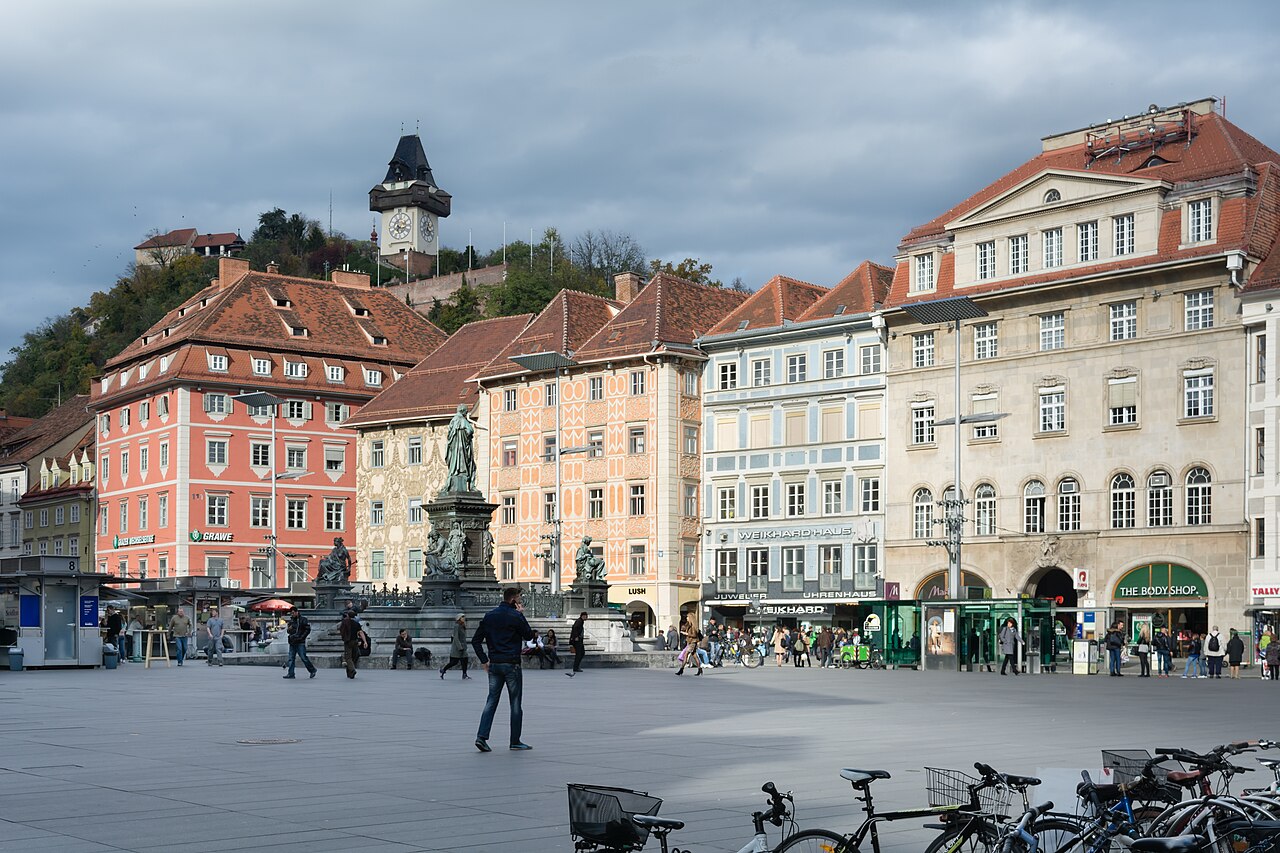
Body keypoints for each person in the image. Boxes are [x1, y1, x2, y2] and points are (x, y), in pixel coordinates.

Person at [472, 587, 535, 752]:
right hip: (511, 664)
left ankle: (481, 737)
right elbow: (529, 636)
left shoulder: (490, 616)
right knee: (515, 702)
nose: (521, 601)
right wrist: (521, 614)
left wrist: (484, 660)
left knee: (491, 700)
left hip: (494, 664)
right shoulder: (515, 616)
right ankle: (515, 740)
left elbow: (476, 641)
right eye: (520, 598)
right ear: (513, 599)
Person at [283, 606, 317, 679]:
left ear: (296, 612)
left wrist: (302, 637)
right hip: (292, 641)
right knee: (291, 658)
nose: (292, 615)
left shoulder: (303, 620)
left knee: (303, 657)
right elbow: (288, 631)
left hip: (300, 641)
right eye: (291, 613)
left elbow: (307, 629)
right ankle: (291, 673)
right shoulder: (291, 621)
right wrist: (289, 629)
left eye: (293, 613)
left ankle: (312, 670)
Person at [440, 614, 471, 680]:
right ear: (459, 618)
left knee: (465, 660)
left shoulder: (462, 626)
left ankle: (464, 674)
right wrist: (460, 647)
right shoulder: (457, 626)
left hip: (463, 647)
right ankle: (443, 669)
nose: (464, 618)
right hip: (458, 648)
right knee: (454, 662)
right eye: (462, 617)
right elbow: (456, 637)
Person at [339, 610, 361, 679]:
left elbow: (341, 630)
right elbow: (360, 632)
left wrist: (344, 637)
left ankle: (352, 670)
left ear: (348, 615)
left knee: (348, 657)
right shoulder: (356, 623)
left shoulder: (345, 622)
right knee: (353, 656)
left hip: (348, 641)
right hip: (355, 641)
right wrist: (363, 641)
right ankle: (350, 673)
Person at [566, 612, 587, 677]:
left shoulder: (581, 621)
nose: (586, 618)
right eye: (586, 616)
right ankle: (575, 667)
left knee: (581, 653)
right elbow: (574, 628)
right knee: (579, 653)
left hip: (579, 640)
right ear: (582, 616)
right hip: (577, 640)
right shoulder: (579, 621)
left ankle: (577, 666)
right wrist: (576, 637)